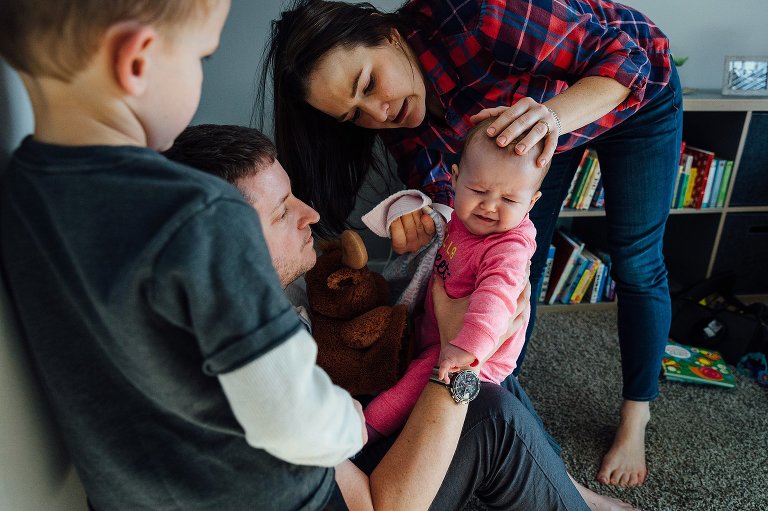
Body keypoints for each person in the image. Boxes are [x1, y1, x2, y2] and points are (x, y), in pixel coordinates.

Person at [263, 0, 684, 487]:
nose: (378, 113)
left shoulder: (477, 12)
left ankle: (636, 415)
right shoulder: (404, 128)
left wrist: (550, 117)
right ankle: (495, 408)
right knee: (515, 271)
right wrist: (417, 215)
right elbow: (457, 211)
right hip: (533, 138)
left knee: (636, 260)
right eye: (354, 115)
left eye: (369, 84)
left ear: (387, 33)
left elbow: (628, 61)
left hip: (632, 91)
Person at [0, 2, 368, 509]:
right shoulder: (202, 213)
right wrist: (347, 423)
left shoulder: (21, 193)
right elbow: (290, 414)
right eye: (202, 56)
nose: (199, 73)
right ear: (137, 62)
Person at [164, 123, 639, 511]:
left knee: (499, 384)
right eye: (282, 213)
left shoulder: (213, 305)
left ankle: (570, 491)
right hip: (372, 494)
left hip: (339, 445)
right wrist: (461, 368)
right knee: (492, 411)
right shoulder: (251, 365)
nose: (310, 214)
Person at [362, 119, 546, 440]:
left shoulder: (509, 246)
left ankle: (363, 432)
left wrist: (465, 350)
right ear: (456, 178)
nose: (489, 207)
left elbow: (496, 298)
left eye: (509, 200)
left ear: (531, 203)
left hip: (472, 349)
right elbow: (429, 215)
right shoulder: (463, 216)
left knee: (408, 390)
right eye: (478, 190)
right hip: (438, 327)